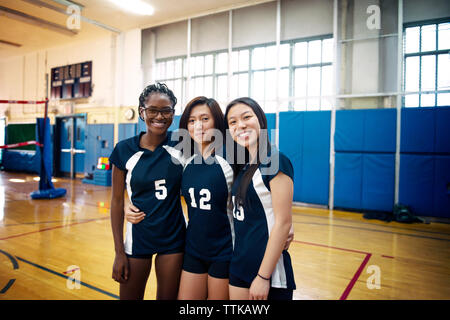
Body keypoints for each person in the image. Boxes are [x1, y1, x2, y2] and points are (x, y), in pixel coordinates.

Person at [127, 96, 234, 300]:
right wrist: (126, 204)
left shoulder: (231, 160)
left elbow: (254, 195)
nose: (198, 126)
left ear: (217, 123)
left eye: (205, 119)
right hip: (192, 249)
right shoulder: (186, 160)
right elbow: (155, 187)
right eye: (192, 121)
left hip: (224, 250)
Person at [109, 83, 186, 300]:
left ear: (173, 113)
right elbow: (116, 201)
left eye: (166, 110)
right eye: (153, 110)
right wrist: (118, 252)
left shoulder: (183, 144)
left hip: (173, 238)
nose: (159, 116)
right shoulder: (124, 149)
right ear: (142, 111)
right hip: (138, 237)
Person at [224, 97, 296, 300]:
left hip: (268, 272)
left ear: (261, 120)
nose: (241, 125)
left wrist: (263, 276)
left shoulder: (275, 160)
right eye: (233, 122)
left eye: (247, 117)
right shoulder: (243, 165)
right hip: (239, 265)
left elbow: (283, 222)